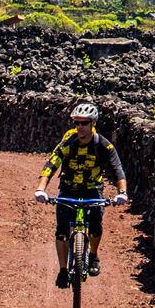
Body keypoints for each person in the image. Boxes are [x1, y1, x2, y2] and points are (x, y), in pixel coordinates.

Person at [34, 101, 127, 288]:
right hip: (68, 189)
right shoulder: (68, 141)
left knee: (95, 226)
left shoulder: (103, 145)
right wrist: (40, 189)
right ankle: (62, 270)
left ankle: (93, 255)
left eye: (84, 123)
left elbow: (117, 169)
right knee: (61, 231)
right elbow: (52, 164)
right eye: (76, 122)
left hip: (93, 189)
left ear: (93, 123)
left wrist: (122, 192)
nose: (80, 127)